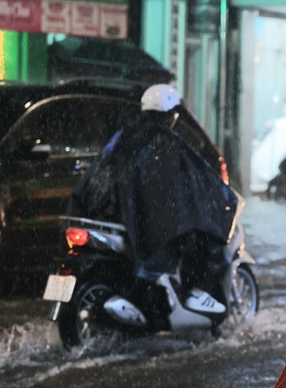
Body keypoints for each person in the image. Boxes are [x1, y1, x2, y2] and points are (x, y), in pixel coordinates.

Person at [69, 84, 238, 316]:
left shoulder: (124, 137)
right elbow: (190, 180)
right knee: (202, 233)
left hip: (114, 215)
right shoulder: (166, 142)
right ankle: (197, 290)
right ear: (171, 116)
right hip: (144, 220)